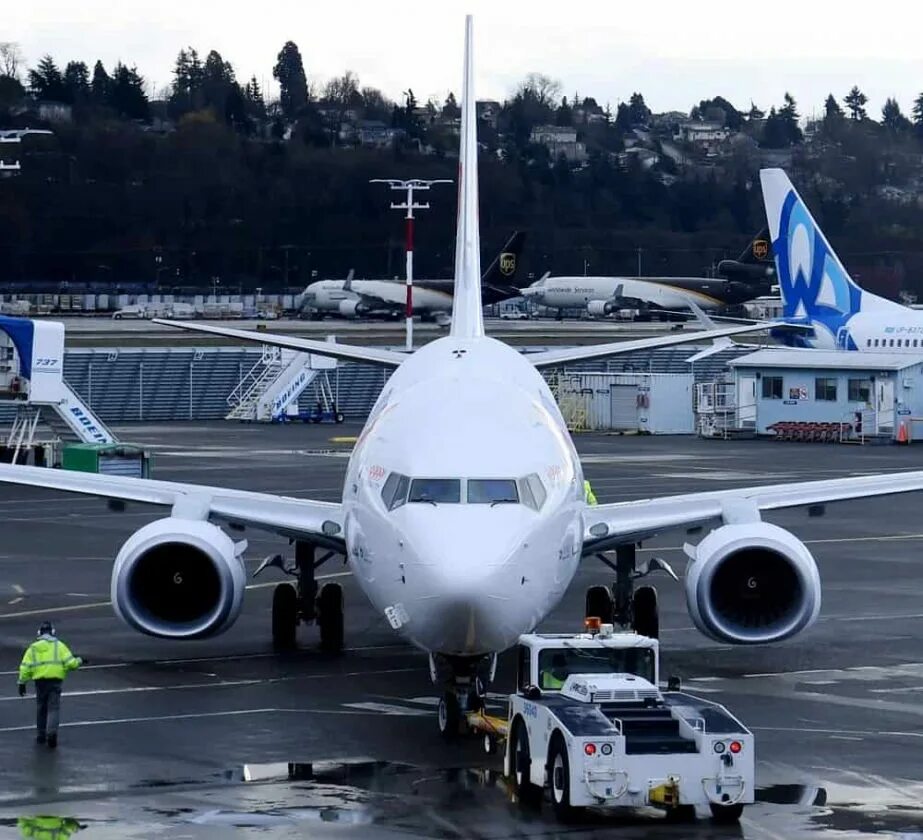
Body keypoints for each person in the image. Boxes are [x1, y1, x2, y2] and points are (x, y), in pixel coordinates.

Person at [18, 622, 83, 749]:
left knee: (41, 708)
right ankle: (51, 734)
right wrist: (80, 660)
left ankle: (41, 735)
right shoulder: (59, 646)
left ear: (39, 633)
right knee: (53, 709)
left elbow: (25, 667)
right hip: (55, 682)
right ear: (53, 632)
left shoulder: (33, 648)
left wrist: (22, 683)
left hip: (40, 682)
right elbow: (71, 664)